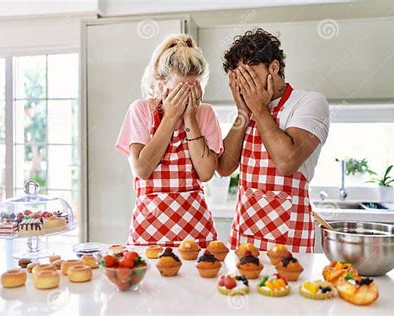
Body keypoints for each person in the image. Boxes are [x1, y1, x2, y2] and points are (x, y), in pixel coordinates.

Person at [218, 29, 330, 253]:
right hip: (244, 237)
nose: (245, 85)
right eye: (239, 79)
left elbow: (286, 162)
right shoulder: (247, 110)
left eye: (250, 75)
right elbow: (224, 167)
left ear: (274, 67)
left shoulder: (309, 103)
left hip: (289, 239)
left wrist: (258, 110)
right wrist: (242, 111)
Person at [116, 34, 223, 247]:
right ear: (161, 80)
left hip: (196, 230)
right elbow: (142, 169)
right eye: (182, 87)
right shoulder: (141, 110)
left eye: (194, 86)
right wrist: (171, 116)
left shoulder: (205, 113)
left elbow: (206, 172)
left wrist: (190, 116)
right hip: (149, 232)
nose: (188, 94)